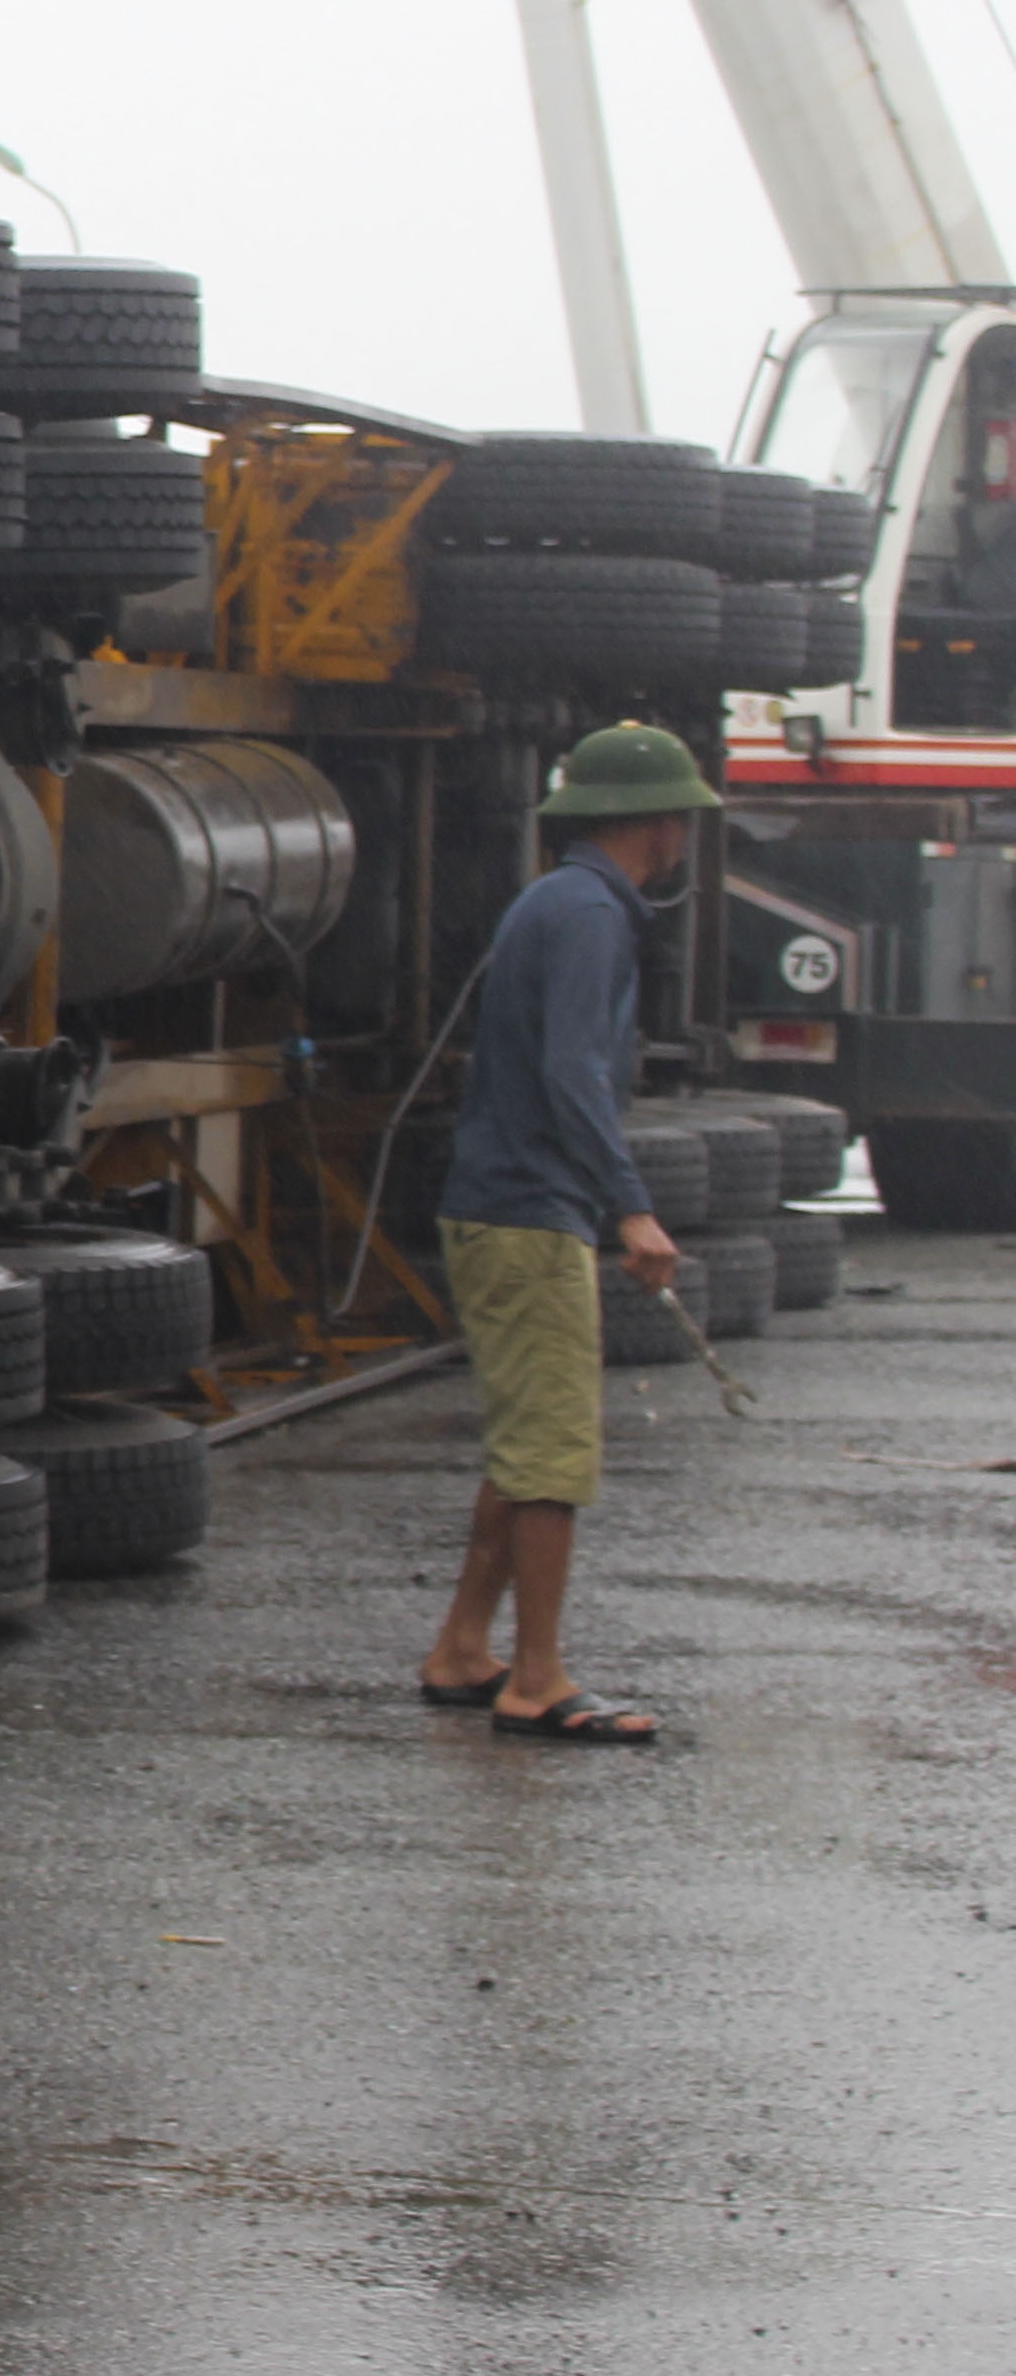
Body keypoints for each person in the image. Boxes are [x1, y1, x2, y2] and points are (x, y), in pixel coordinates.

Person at [415, 720, 717, 1748]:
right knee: (550, 1455)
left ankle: (462, 1644)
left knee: (521, 1442)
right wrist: (626, 1203)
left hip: (498, 1199)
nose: (683, 832)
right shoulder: (589, 913)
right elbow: (572, 1072)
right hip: (527, 1208)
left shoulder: (558, 898)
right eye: (679, 814)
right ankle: (535, 1677)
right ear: (656, 822)